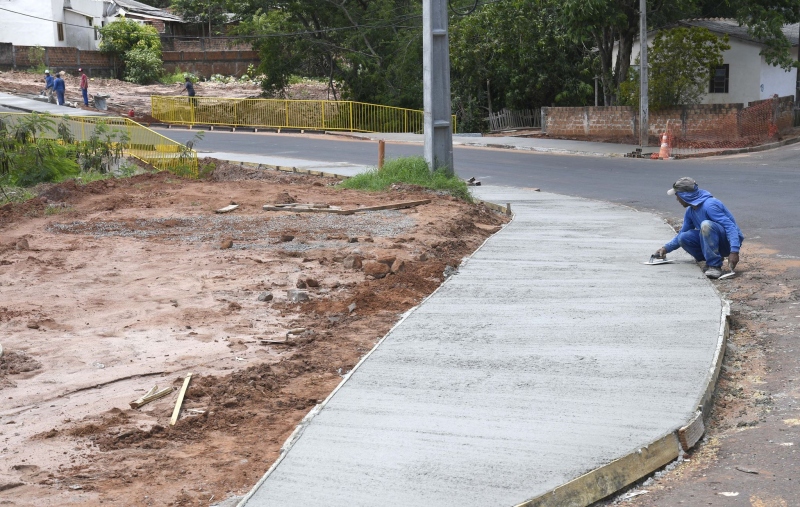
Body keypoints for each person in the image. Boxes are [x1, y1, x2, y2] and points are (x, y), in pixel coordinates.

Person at [653, 177, 744, 279]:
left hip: (726, 243)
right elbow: (683, 232)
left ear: (684, 195)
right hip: (713, 243)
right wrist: (665, 249)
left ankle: (714, 266)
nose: (676, 199)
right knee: (683, 237)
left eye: (677, 195)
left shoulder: (710, 205)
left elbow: (730, 226)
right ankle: (712, 260)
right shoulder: (690, 211)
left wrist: (734, 251)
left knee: (706, 225)